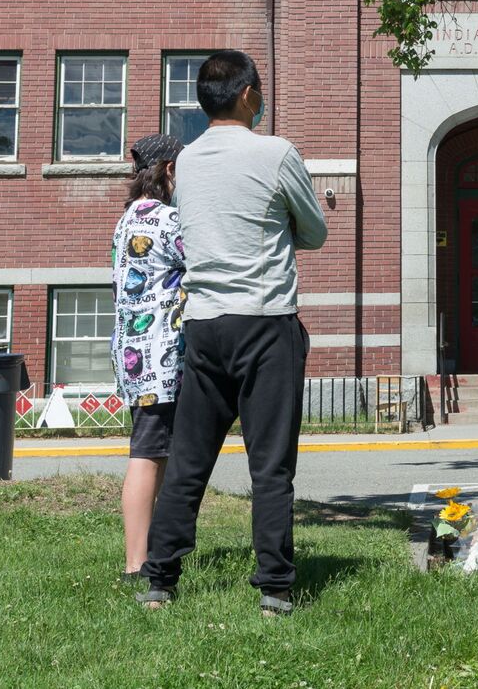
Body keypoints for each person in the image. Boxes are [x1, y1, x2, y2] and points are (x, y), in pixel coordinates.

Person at [137, 51, 328, 617]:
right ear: (248, 95)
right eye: (260, 91)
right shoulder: (276, 153)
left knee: (190, 459)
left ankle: (160, 581)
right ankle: (274, 586)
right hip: (265, 321)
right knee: (270, 464)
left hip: (203, 323)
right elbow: (313, 232)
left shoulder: (186, 162)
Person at [111, 134, 186, 581]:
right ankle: (137, 563)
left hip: (133, 355)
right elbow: (204, 261)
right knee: (147, 453)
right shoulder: (168, 220)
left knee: (151, 450)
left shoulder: (127, 219)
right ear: (170, 171)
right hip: (160, 356)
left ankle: (142, 554)